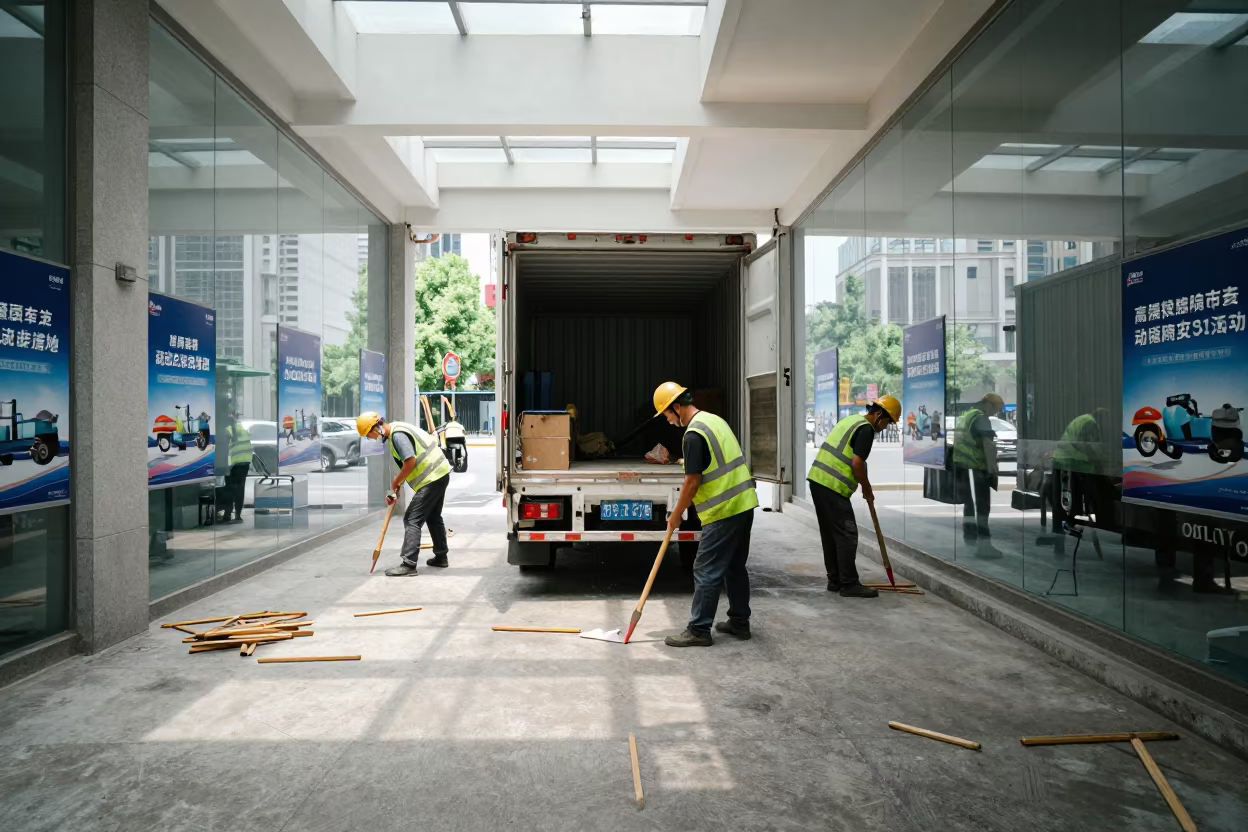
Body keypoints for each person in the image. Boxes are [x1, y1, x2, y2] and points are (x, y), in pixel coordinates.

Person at [655, 382, 758, 647]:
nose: (667, 420)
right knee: (734, 566)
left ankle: (699, 630)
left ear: (677, 407)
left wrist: (676, 514)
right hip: (744, 504)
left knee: (706, 568)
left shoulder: (692, 435)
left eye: (666, 414)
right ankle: (739, 622)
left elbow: (692, 482)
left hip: (723, 510)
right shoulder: (713, 421)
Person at [808, 395, 900, 598]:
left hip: (818, 481)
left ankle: (836, 580)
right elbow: (857, 463)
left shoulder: (851, 420)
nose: (886, 427)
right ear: (878, 414)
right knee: (847, 534)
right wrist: (867, 488)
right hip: (832, 485)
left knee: (831, 534)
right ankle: (848, 584)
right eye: (888, 422)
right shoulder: (865, 429)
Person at [357, 410, 452, 576]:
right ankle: (441, 556)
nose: (369, 438)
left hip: (432, 477)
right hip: (440, 473)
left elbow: (410, 462)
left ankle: (409, 564)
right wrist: (397, 486)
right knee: (433, 516)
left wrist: (395, 481)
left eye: (367, 435)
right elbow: (407, 465)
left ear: (374, 428)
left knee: (411, 519)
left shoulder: (397, 436)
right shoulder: (397, 429)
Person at [952, 393, 1004, 555]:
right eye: (995, 410)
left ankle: (970, 538)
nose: (994, 414)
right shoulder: (981, 418)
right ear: (989, 405)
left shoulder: (967, 415)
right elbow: (987, 445)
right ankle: (985, 545)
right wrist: (992, 468)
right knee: (982, 506)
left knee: (969, 504)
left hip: (962, 466)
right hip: (976, 468)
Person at [219, 413, 251, 525]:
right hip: (245, 462)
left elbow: (223, 449)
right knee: (240, 489)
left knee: (230, 490)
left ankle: (227, 515)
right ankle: (237, 515)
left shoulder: (228, 430)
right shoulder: (242, 428)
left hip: (235, 464)